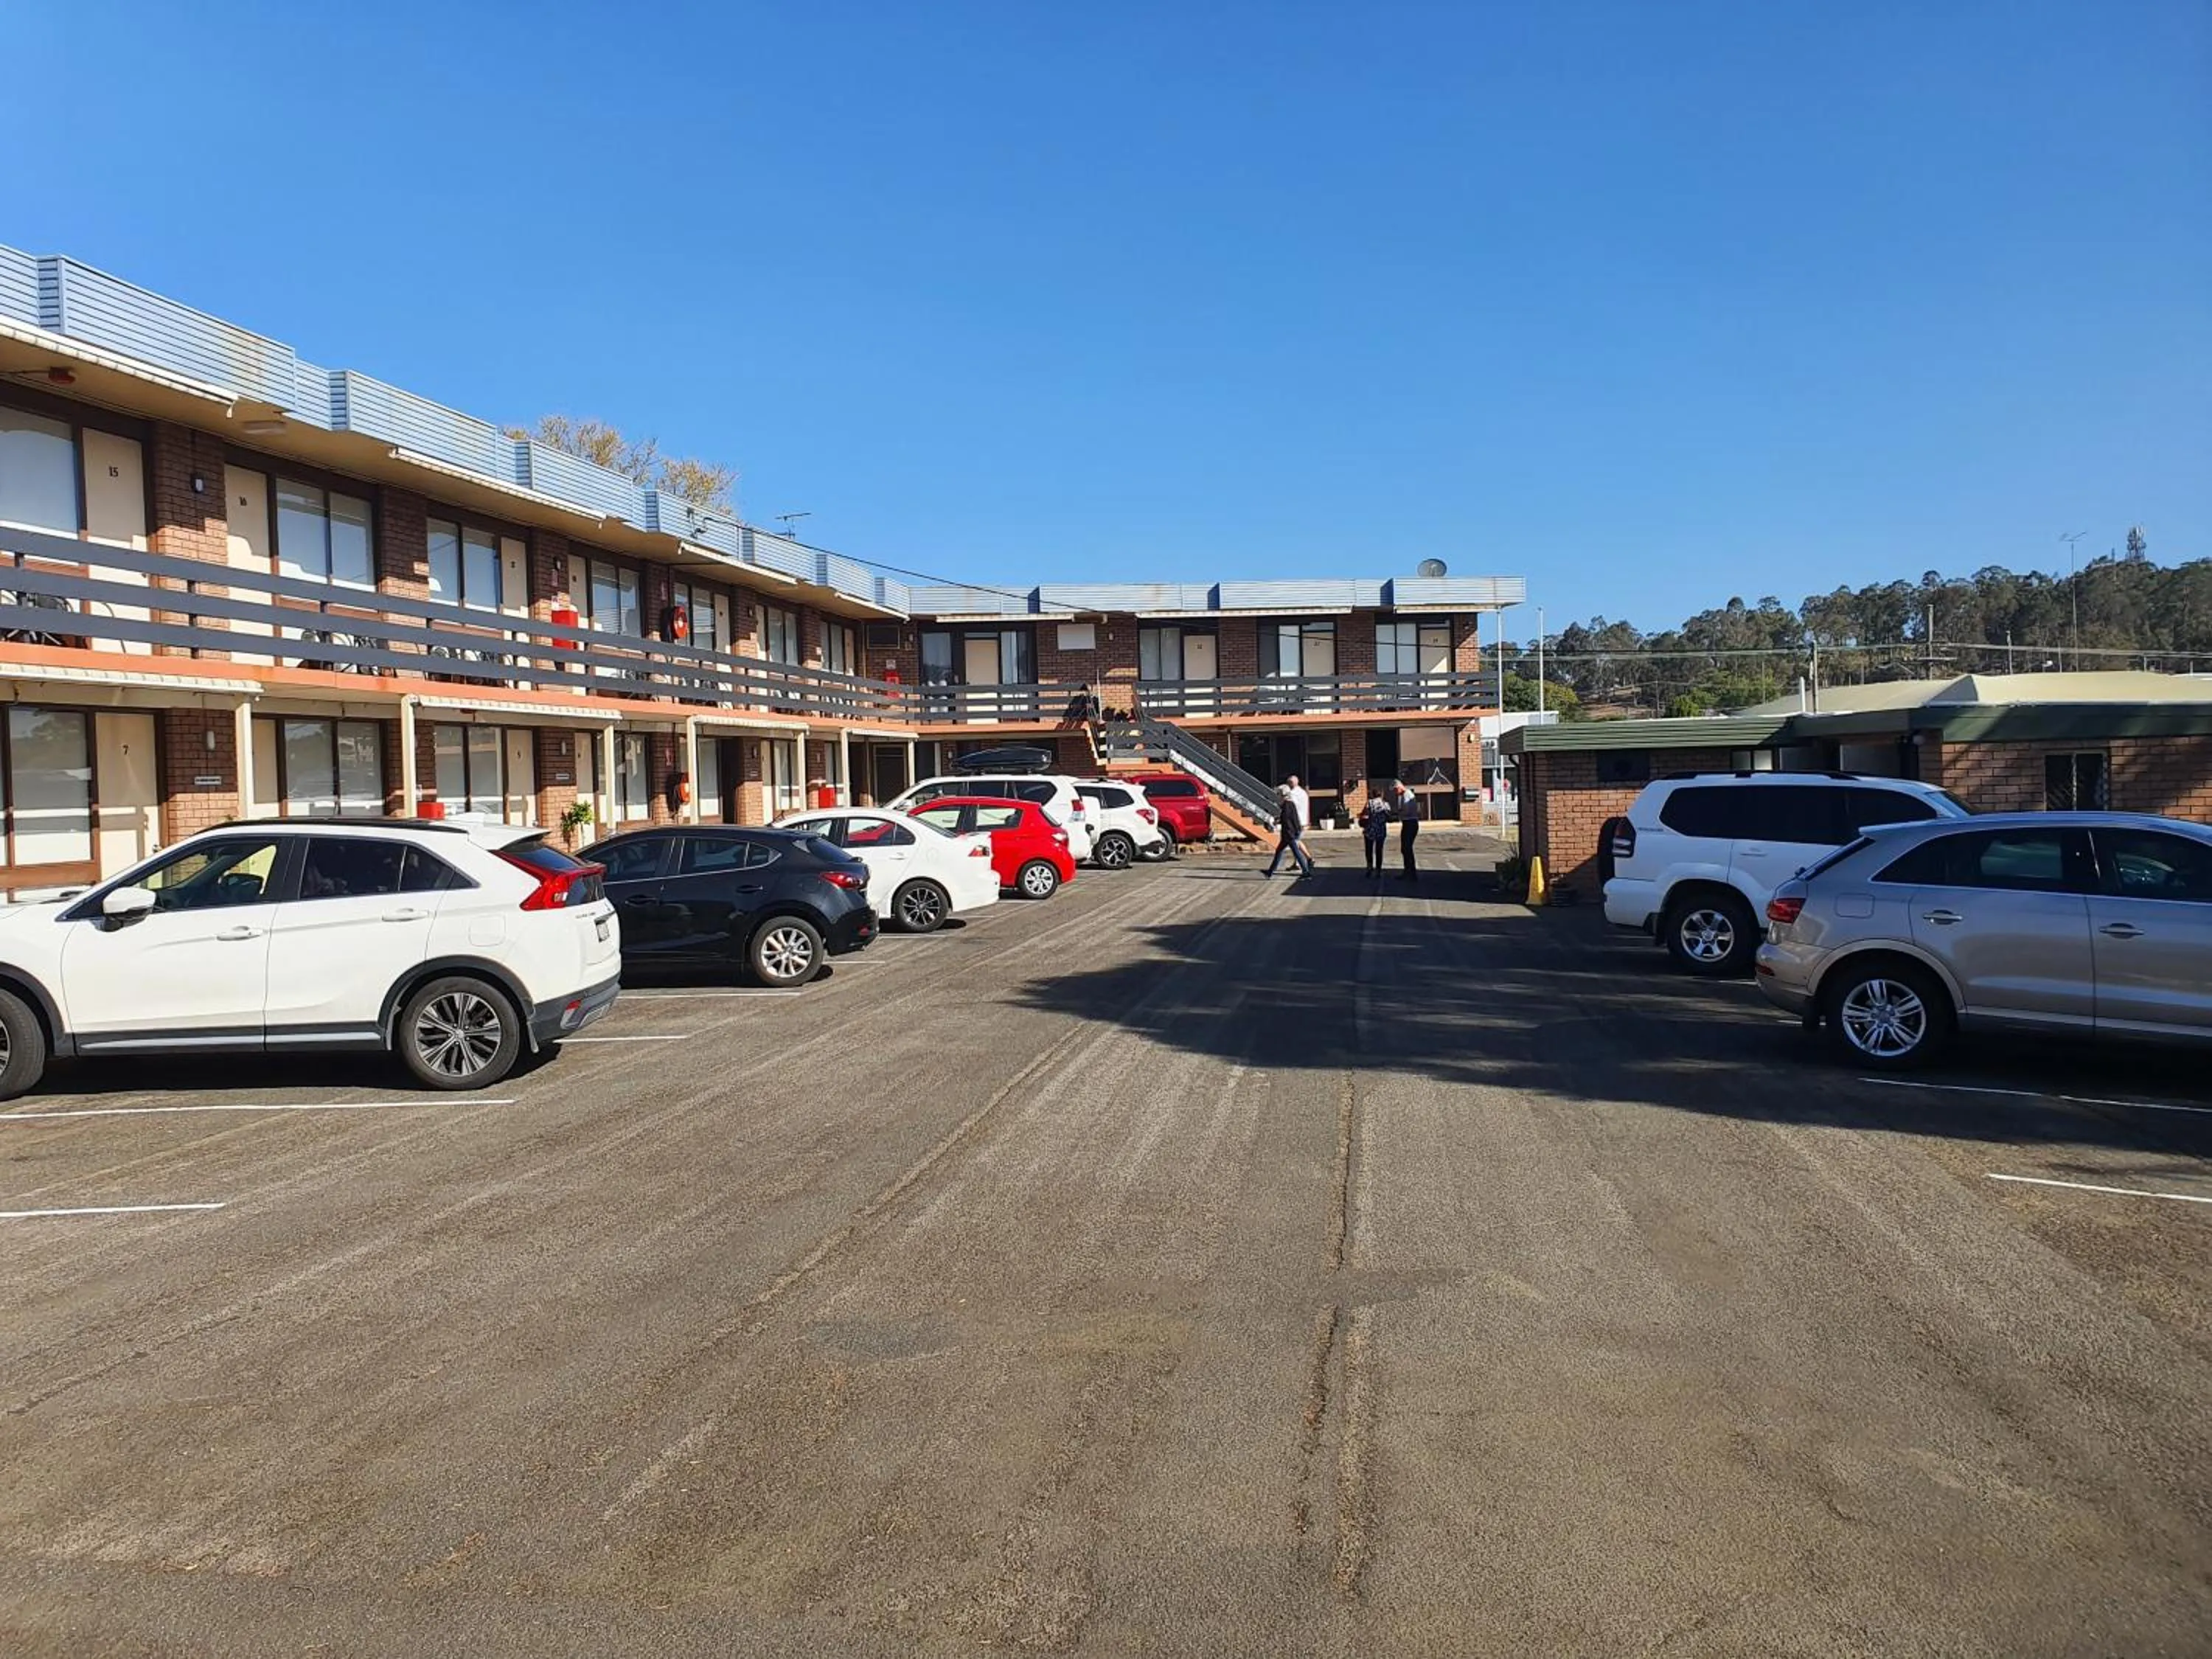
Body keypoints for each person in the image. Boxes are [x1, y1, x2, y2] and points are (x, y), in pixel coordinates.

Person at [1263, 782, 1316, 878]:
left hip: (1289, 834)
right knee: (1279, 852)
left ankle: (1306, 873)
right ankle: (1270, 872)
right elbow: (1290, 819)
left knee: (1295, 852)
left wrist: (1287, 831)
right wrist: (1278, 821)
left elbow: (1288, 821)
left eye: (1278, 794)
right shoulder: (1289, 804)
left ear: (1283, 795)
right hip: (1289, 833)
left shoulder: (1287, 805)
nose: (1278, 796)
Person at [1360, 785, 1394, 874]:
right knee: (1379, 850)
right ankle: (1378, 869)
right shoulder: (1386, 804)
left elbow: (1365, 815)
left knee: (1369, 850)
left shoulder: (1369, 803)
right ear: (1381, 794)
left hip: (1370, 830)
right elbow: (1389, 817)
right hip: (1381, 830)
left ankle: (1370, 867)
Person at [1392, 779, 1422, 880]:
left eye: (1396, 790)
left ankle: (1411, 872)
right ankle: (1408, 871)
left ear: (1399, 787)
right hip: (1407, 822)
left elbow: (1408, 810)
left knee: (1407, 847)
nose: (1395, 792)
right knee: (1405, 848)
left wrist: (1399, 813)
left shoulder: (1407, 794)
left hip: (1410, 822)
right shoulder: (1402, 796)